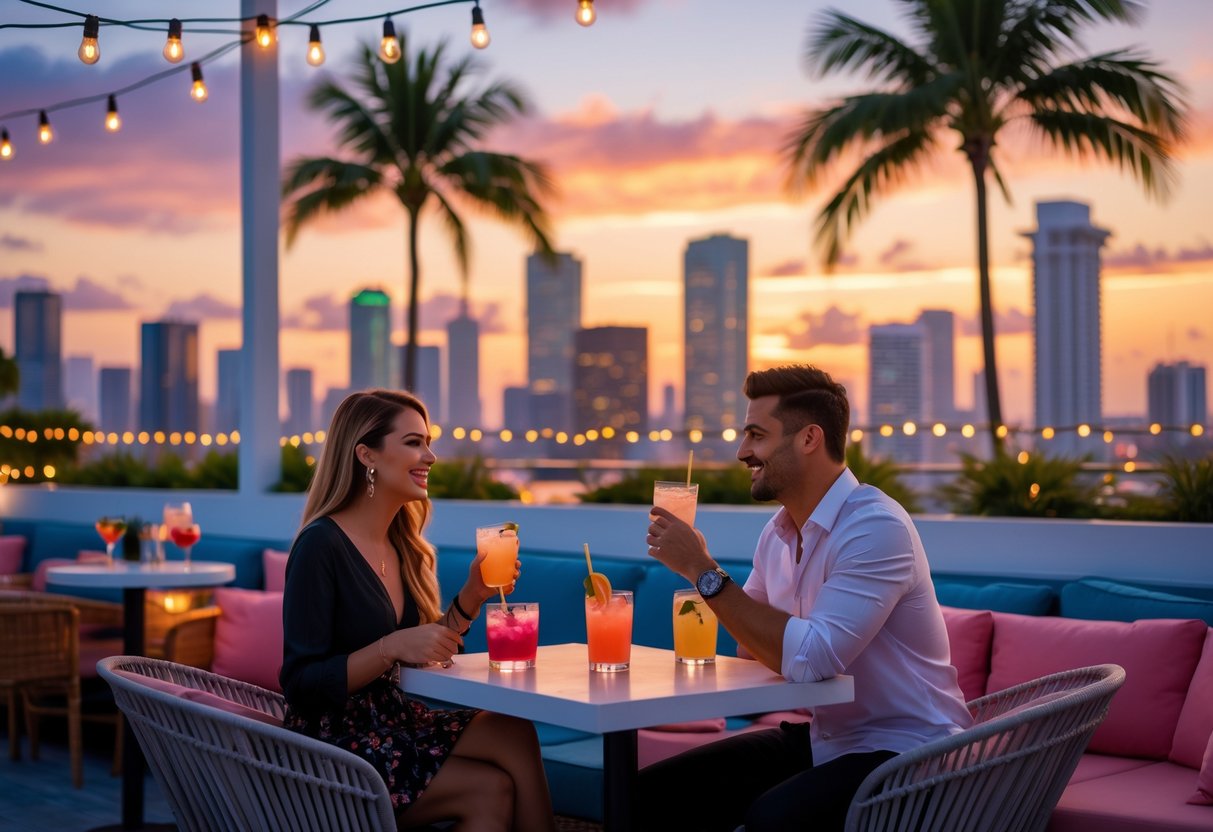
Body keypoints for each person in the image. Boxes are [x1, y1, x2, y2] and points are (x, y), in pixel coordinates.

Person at [639, 365, 971, 832]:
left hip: (911, 753)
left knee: (771, 820)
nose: (742, 452)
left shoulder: (875, 528)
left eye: (756, 435)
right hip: (827, 740)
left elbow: (810, 659)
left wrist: (700, 568)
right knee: (650, 795)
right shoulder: (776, 534)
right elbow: (750, 647)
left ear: (809, 439)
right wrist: (779, 637)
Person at [280, 389, 556, 832]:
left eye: (427, 442)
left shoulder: (402, 545)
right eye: (413, 442)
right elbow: (300, 683)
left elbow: (424, 647)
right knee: (490, 789)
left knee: (514, 730)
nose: (429, 456)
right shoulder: (321, 546)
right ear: (366, 454)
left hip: (392, 721)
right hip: (333, 744)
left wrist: (471, 596)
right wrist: (389, 647)